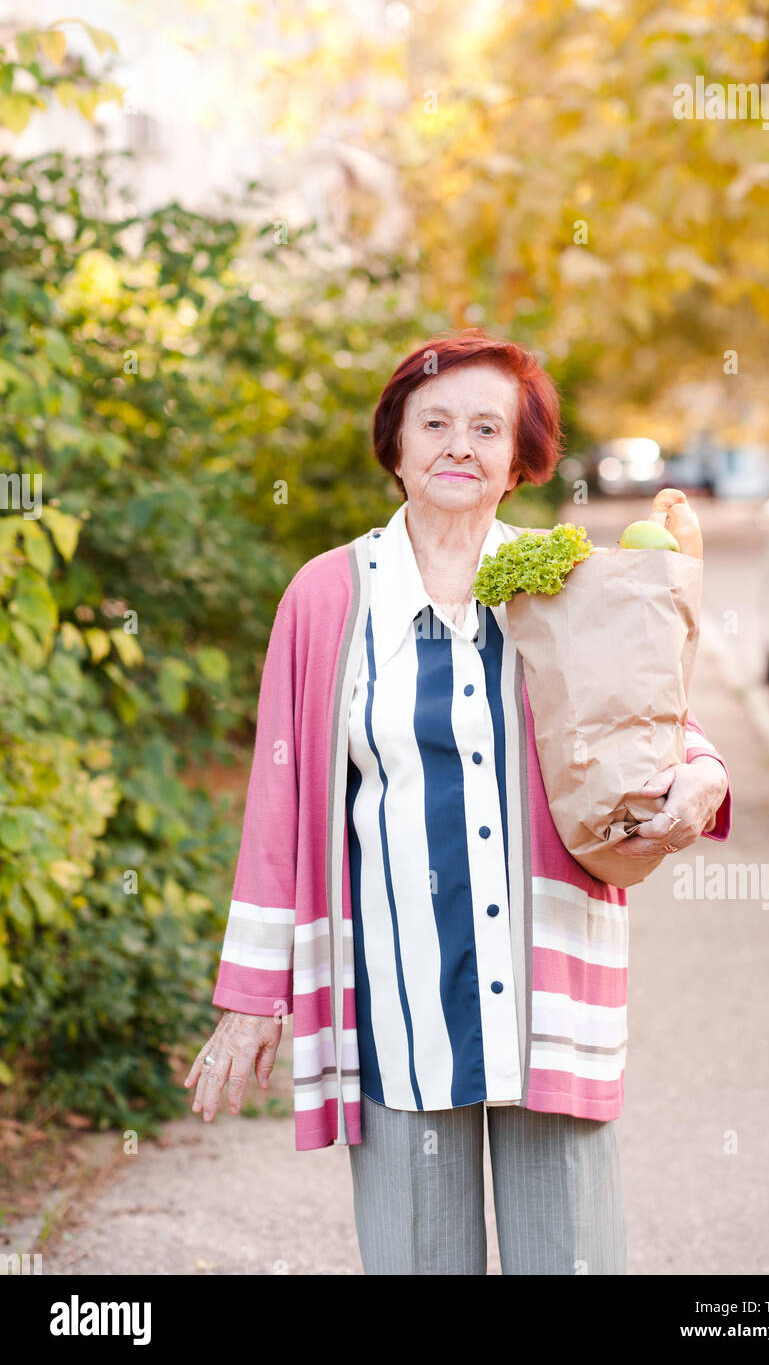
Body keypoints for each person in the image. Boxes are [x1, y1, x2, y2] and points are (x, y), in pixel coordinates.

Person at [184, 329, 732, 1275]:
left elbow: (646, 714)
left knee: (568, 1258)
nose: (458, 445)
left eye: (487, 427)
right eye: (433, 422)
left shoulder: (572, 578)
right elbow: (280, 803)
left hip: (550, 977)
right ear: (394, 444)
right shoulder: (325, 598)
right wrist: (249, 997)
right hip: (394, 994)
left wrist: (704, 774)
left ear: (519, 461)